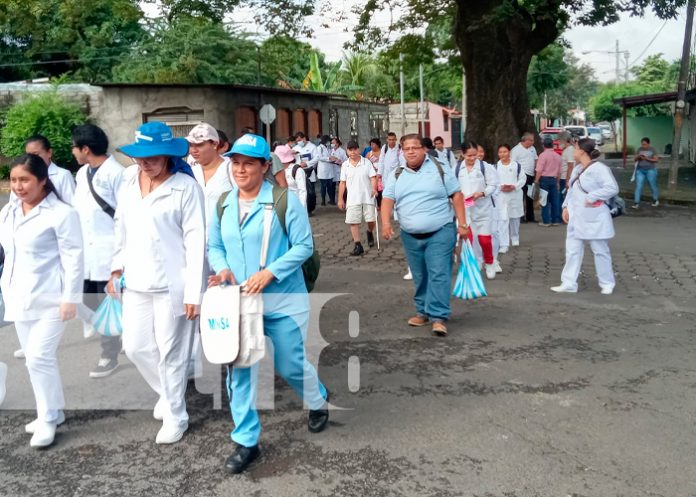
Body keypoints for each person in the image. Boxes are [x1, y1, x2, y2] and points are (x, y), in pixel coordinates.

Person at [207, 133, 329, 474]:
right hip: (241, 304)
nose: (240, 170)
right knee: (240, 369)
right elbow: (214, 246)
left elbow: (303, 247)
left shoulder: (284, 201)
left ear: (265, 166)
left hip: (283, 300)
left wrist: (270, 273)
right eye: (235, 162)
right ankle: (246, 441)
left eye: (248, 163)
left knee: (290, 365)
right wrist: (223, 268)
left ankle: (317, 401)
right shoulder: (223, 203)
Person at [111, 121, 206, 444]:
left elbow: (196, 242)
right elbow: (120, 229)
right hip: (136, 281)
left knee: (172, 354)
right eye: (141, 156)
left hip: (173, 285)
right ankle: (166, 392)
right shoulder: (128, 183)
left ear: (167, 155)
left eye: (153, 156)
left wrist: (194, 291)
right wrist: (115, 268)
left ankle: (177, 415)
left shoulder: (185, 188)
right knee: (135, 347)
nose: (146, 162)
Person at [0, 153, 84, 447]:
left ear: (42, 180)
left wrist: (71, 298)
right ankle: (52, 410)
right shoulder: (8, 212)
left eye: (25, 180)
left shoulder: (61, 213)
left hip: (51, 297)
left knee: (38, 356)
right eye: (13, 180)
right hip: (17, 296)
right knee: (35, 362)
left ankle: (47, 419)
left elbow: (74, 258)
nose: (18, 186)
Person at [381, 134, 469, 337]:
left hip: (441, 231)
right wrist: (385, 224)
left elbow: (456, 195)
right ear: (402, 151)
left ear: (424, 150)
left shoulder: (439, 168)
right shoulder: (397, 174)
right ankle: (422, 311)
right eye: (406, 148)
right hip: (410, 235)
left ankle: (438, 317)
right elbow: (387, 199)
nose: (410, 151)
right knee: (420, 275)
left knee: (439, 273)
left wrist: (462, 224)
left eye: (415, 147)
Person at [71, 124, 125, 379]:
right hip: (88, 254)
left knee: (107, 304)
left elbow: (125, 217)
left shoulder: (118, 174)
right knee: (88, 300)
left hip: (111, 252)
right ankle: (117, 335)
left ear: (85, 148)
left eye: (75, 147)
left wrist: (121, 258)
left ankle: (109, 354)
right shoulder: (82, 175)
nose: (72, 151)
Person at [551, 138, 619, 295]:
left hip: (594, 217)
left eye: (575, 148)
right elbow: (572, 190)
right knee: (572, 250)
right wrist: (566, 207)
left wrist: (593, 196)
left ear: (582, 151)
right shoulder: (577, 169)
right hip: (576, 216)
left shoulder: (599, 169)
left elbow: (612, 187)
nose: (573, 151)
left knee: (600, 250)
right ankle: (568, 282)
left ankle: (607, 282)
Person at [455, 142, 499, 279]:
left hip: (483, 210)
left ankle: (490, 262)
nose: (473, 158)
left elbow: (494, 185)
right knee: (469, 240)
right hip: (465, 211)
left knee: (485, 240)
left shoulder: (485, 167)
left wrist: (482, 193)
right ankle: (474, 263)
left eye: (475, 155)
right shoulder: (457, 169)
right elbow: (452, 187)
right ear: (462, 154)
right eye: (469, 155)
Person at [338, 141, 379, 256]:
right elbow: (342, 183)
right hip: (352, 198)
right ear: (347, 151)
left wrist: (374, 189)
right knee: (353, 221)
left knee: (371, 219)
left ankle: (369, 231)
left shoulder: (367, 163)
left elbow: (373, 178)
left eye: (355, 149)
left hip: (367, 196)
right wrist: (340, 199)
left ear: (358, 150)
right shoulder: (345, 165)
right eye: (350, 150)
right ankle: (358, 245)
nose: (353, 152)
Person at [24, 135, 76, 206]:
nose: (32, 159)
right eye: (29, 155)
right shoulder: (22, 175)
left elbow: (72, 205)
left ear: (49, 153)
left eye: (36, 154)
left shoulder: (62, 175)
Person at [495, 144, 526, 253]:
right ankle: (504, 243)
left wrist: (514, 186)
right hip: (501, 196)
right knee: (502, 219)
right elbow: (493, 182)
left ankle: (515, 237)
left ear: (509, 152)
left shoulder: (517, 166)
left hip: (514, 195)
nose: (503, 154)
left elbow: (523, 178)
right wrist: (501, 187)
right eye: (500, 152)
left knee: (515, 218)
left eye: (505, 151)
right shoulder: (495, 167)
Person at [535, 136, 563, 227]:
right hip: (554, 179)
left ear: (544, 145)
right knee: (555, 200)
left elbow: (539, 170)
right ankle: (555, 220)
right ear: (552, 145)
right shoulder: (558, 156)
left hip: (544, 179)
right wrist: (558, 182)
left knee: (544, 200)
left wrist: (536, 180)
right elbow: (559, 172)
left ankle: (546, 221)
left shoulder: (542, 156)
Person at [511, 132, 537, 223]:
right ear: (526, 140)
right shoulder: (516, 150)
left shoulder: (532, 148)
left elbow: (535, 159)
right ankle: (521, 216)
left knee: (530, 196)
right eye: (531, 140)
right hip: (522, 176)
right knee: (521, 196)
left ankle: (530, 216)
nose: (533, 142)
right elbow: (513, 164)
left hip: (531, 176)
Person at [293, 132, 318, 214]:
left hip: (309, 171)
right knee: (300, 191)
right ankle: (301, 209)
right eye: (297, 141)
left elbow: (316, 158)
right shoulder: (295, 148)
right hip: (299, 172)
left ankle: (310, 209)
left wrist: (307, 164)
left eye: (300, 140)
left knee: (311, 192)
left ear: (304, 138)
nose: (299, 142)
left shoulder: (312, 147)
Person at [632, 137, 659, 209]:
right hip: (640, 170)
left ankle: (655, 199)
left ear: (648, 144)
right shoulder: (639, 149)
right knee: (638, 186)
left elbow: (656, 160)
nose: (643, 146)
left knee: (652, 185)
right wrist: (638, 157)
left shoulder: (652, 150)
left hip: (650, 170)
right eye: (642, 144)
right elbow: (634, 159)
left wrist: (647, 158)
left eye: (645, 144)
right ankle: (636, 202)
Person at [316, 135, 336, 206]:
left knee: (329, 186)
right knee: (323, 186)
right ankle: (323, 200)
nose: (329, 143)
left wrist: (333, 157)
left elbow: (331, 155)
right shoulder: (319, 148)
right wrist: (329, 158)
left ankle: (331, 200)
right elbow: (319, 158)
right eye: (328, 141)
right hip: (323, 170)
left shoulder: (328, 148)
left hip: (329, 169)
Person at [559, 132, 575, 206]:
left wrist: (567, 180)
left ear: (564, 140)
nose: (559, 143)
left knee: (564, 198)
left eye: (560, 140)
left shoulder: (569, 150)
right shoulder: (566, 149)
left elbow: (570, 166)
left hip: (565, 178)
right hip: (563, 177)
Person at [365, 138, 382, 207]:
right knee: (374, 188)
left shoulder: (382, 152)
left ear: (377, 145)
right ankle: (376, 204)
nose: (372, 146)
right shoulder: (369, 153)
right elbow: (365, 163)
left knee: (381, 189)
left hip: (381, 174)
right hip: (373, 174)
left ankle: (381, 204)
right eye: (371, 145)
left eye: (373, 144)